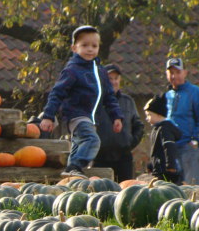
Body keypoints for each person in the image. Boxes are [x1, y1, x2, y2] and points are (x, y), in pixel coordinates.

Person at [39, 25, 123, 178]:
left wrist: (116, 116)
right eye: (84, 45)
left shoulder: (100, 72)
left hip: (91, 119)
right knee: (91, 139)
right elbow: (57, 93)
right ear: (74, 48)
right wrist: (48, 115)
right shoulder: (72, 70)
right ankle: (75, 166)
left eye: (94, 46)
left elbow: (109, 97)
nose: (90, 49)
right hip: (76, 115)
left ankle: (71, 175)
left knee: (78, 145)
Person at [93, 64, 144, 182]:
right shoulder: (95, 102)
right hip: (100, 157)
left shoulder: (128, 101)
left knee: (125, 192)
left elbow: (139, 126)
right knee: (100, 192)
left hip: (123, 157)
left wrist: (130, 143)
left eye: (116, 79)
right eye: (110, 79)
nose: (113, 82)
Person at [164, 57, 199, 185]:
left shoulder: (194, 92)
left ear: (185, 72)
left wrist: (195, 140)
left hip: (188, 147)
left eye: (178, 72)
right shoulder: (167, 95)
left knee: (190, 187)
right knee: (173, 188)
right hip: (171, 149)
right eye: (171, 73)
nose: (174, 76)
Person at [144, 94, 183, 185]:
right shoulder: (156, 129)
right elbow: (157, 152)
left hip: (166, 172)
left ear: (158, 114)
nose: (147, 118)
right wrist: (152, 165)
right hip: (159, 169)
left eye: (149, 115)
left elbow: (169, 147)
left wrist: (170, 167)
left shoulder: (165, 129)